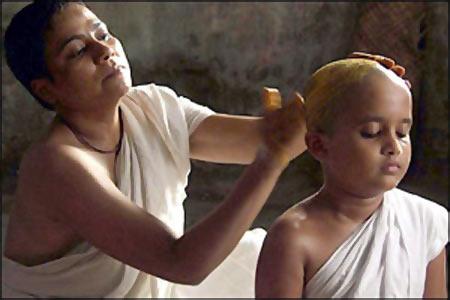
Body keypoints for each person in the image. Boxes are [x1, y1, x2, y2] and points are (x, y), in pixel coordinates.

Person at [1, 0, 408, 297]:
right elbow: (183, 264)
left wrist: (354, 90)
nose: (104, 50)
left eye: (103, 33)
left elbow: (262, 139)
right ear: (46, 89)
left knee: (282, 263)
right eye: (77, 51)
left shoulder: (152, 107)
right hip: (165, 276)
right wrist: (271, 162)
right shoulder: (57, 164)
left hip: (163, 289)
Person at [255, 57, 448, 298]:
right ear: (319, 145)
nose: (393, 147)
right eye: (372, 133)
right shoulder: (293, 237)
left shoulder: (425, 220)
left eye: (402, 133)